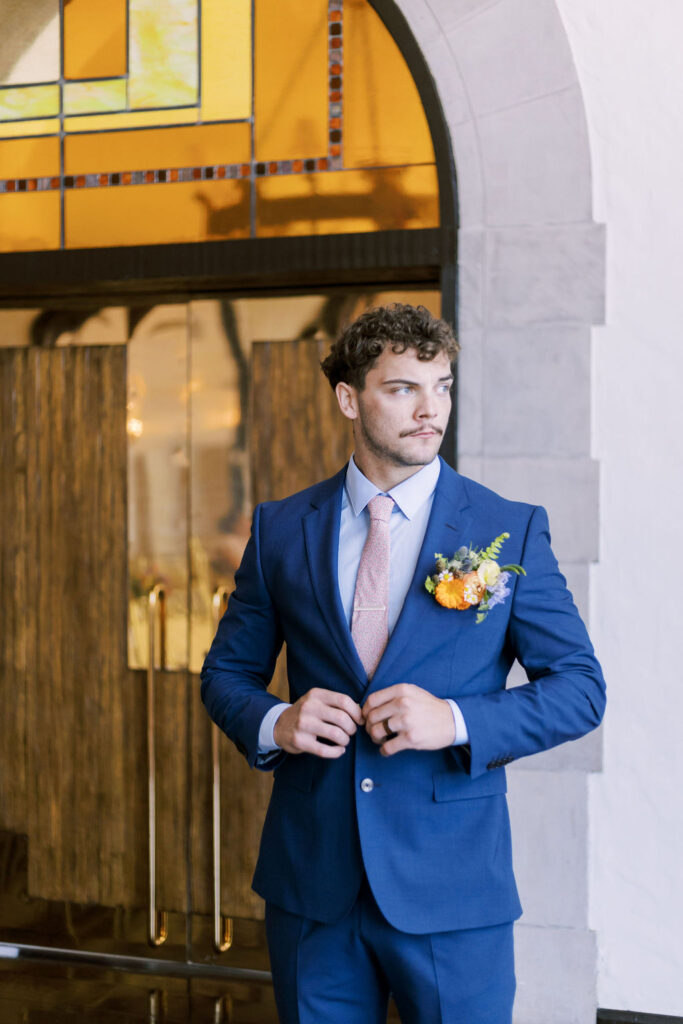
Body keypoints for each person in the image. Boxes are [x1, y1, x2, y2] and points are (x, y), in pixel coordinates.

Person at [201, 303, 606, 1024]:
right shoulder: (280, 528)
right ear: (349, 398)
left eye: (442, 386)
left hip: (451, 888)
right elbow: (226, 677)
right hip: (311, 885)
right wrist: (276, 721)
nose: (431, 410)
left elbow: (579, 690)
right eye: (403, 388)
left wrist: (452, 719)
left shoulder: (505, 529)